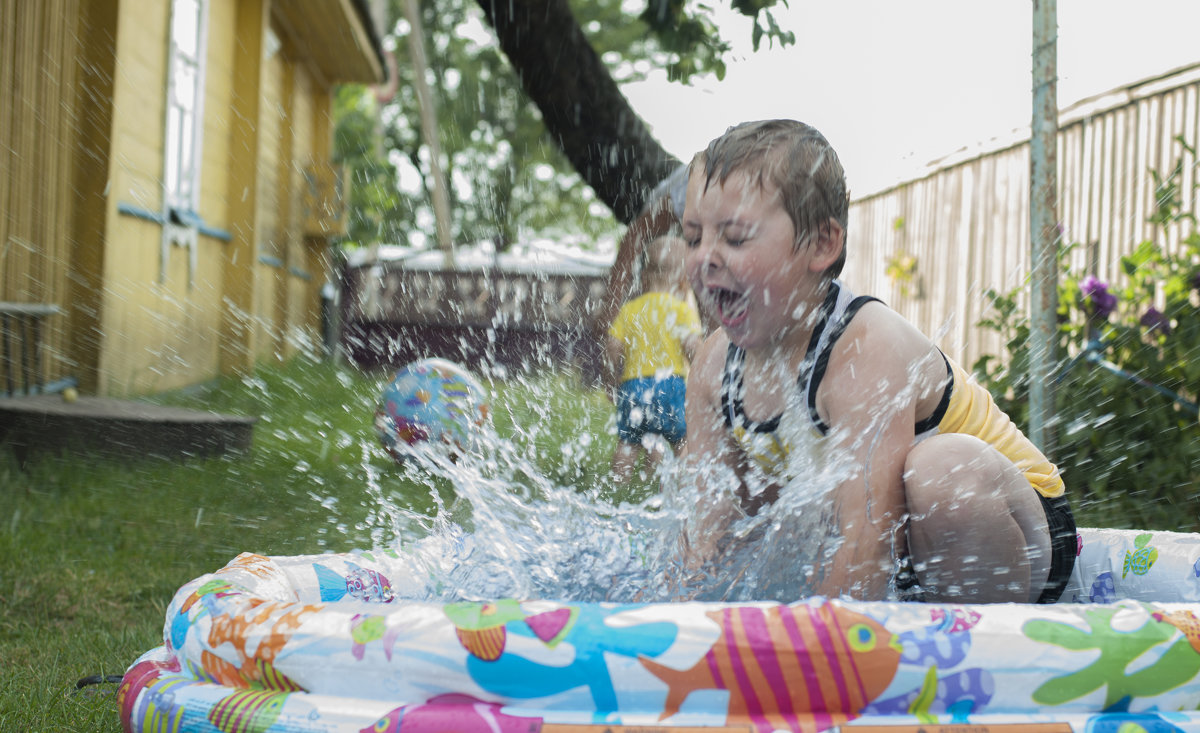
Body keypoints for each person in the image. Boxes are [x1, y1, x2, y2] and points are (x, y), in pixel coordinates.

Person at [676, 119, 1076, 603]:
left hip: (1017, 529)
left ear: (823, 244)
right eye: (693, 237)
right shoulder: (714, 366)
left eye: (735, 238)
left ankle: (976, 651)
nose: (705, 258)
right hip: (916, 554)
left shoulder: (864, 347)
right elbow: (705, 532)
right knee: (752, 504)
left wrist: (810, 653)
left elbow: (867, 545)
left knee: (939, 470)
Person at [606, 234, 703, 484]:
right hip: (670, 385)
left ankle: (619, 483)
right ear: (684, 281)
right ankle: (683, 482)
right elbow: (692, 346)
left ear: (644, 277)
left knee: (628, 441)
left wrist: (611, 376)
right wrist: (702, 376)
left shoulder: (630, 310)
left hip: (633, 386)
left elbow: (613, 345)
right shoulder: (681, 310)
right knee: (682, 439)